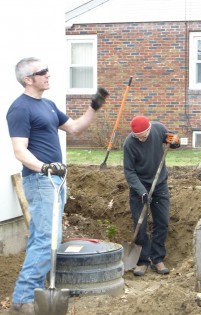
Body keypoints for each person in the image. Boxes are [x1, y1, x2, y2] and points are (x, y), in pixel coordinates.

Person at [6, 57, 109, 315]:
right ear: (28, 79)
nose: (48, 75)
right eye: (42, 72)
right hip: (41, 180)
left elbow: (74, 128)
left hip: (56, 179)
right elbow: (20, 151)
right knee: (46, 239)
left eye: (48, 70)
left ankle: (30, 294)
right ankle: (22, 300)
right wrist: (43, 167)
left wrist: (93, 108)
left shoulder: (49, 105)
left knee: (46, 238)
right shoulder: (20, 108)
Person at [123, 115, 180, 277]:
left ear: (149, 129)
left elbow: (173, 141)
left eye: (144, 136)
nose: (141, 139)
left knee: (162, 221)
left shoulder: (158, 129)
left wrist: (175, 141)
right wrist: (142, 191)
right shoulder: (129, 144)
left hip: (159, 184)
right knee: (139, 224)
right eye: (137, 137)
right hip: (139, 188)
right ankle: (142, 260)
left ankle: (157, 258)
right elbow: (129, 172)